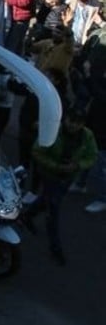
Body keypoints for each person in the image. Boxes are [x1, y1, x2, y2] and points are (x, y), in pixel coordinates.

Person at [24, 108, 97, 265]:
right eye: (71, 121)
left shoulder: (87, 136)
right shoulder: (54, 131)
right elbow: (37, 151)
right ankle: (55, 247)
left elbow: (92, 156)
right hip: (50, 175)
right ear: (66, 119)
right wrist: (56, 166)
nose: (73, 126)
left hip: (68, 177)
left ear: (82, 125)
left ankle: (28, 215)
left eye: (77, 123)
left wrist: (77, 165)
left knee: (48, 200)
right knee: (53, 208)